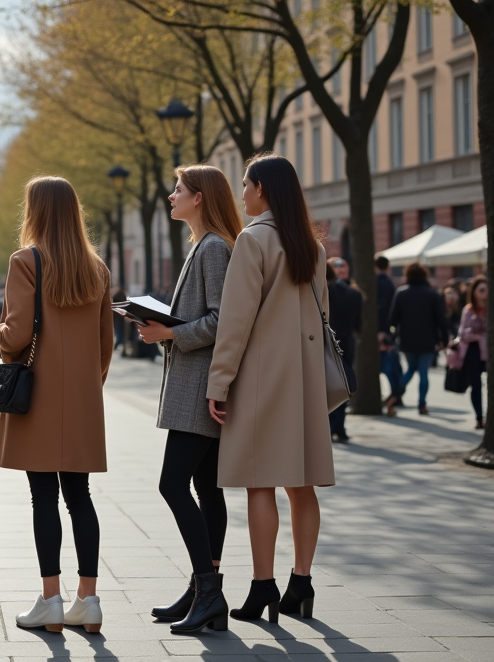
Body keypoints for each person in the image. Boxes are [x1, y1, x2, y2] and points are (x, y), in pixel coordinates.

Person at [206, 153, 334, 624]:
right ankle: (302, 582)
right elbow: (323, 316)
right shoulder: (312, 247)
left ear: (262, 189)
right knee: (301, 484)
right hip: (304, 378)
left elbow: (235, 322)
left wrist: (218, 383)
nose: (241, 193)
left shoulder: (253, 239)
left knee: (259, 483)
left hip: (261, 377)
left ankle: (264, 586)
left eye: (245, 184)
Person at [0, 176, 113, 635]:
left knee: (43, 496)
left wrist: (0, 334)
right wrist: (87, 385)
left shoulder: (26, 261)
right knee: (79, 496)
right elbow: (106, 346)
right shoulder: (96, 268)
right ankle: (89, 599)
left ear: (36, 211)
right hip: (81, 399)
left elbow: (18, 333)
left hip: (38, 397)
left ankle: (50, 600)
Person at [137, 165, 241, 634]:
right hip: (198, 383)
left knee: (173, 485)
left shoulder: (214, 247)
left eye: (178, 189)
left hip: (201, 388)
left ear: (199, 198)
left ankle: (210, 590)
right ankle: (204, 590)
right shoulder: (201, 245)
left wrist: (171, 332)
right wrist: (164, 329)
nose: (170, 195)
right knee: (205, 488)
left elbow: (223, 320)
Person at [388, 263, 450, 416]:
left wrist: (391, 337)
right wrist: (444, 338)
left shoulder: (401, 293)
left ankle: (394, 397)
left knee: (410, 370)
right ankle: (422, 404)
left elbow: (393, 319)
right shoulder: (432, 294)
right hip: (428, 339)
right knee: (423, 372)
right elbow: (441, 319)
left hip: (407, 339)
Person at [326, 258, 362, 443]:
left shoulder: (322, 292)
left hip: (324, 345)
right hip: (346, 344)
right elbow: (358, 325)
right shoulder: (354, 294)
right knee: (342, 385)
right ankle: (340, 427)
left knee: (325, 386)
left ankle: (330, 427)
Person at [457, 277, 487, 430]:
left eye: (487, 290)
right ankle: (479, 417)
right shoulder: (469, 310)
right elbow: (463, 333)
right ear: (474, 292)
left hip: (488, 351)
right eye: (481, 290)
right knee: (476, 385)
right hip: (473, 351)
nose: (485, 293)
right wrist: (477, 334)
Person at [375, 256, 404, 403]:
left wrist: (381, 330)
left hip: (380, 330)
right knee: (390, 365)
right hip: (386, 329)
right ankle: (396, 393)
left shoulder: (377, 282)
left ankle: (395, 394)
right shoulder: (388, 283)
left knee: (386, 365)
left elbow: (382, 308)